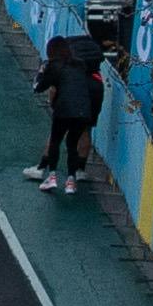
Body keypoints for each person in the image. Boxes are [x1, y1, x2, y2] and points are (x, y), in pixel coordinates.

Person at [35, 27, 108, 190]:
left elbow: (50, 88)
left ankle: (44, 169)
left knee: (56, 137)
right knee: (82, 134)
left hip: (66, 107)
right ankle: (77, 173)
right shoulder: (85, 64)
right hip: (93, 94)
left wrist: (53, 104)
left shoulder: (60, 65)